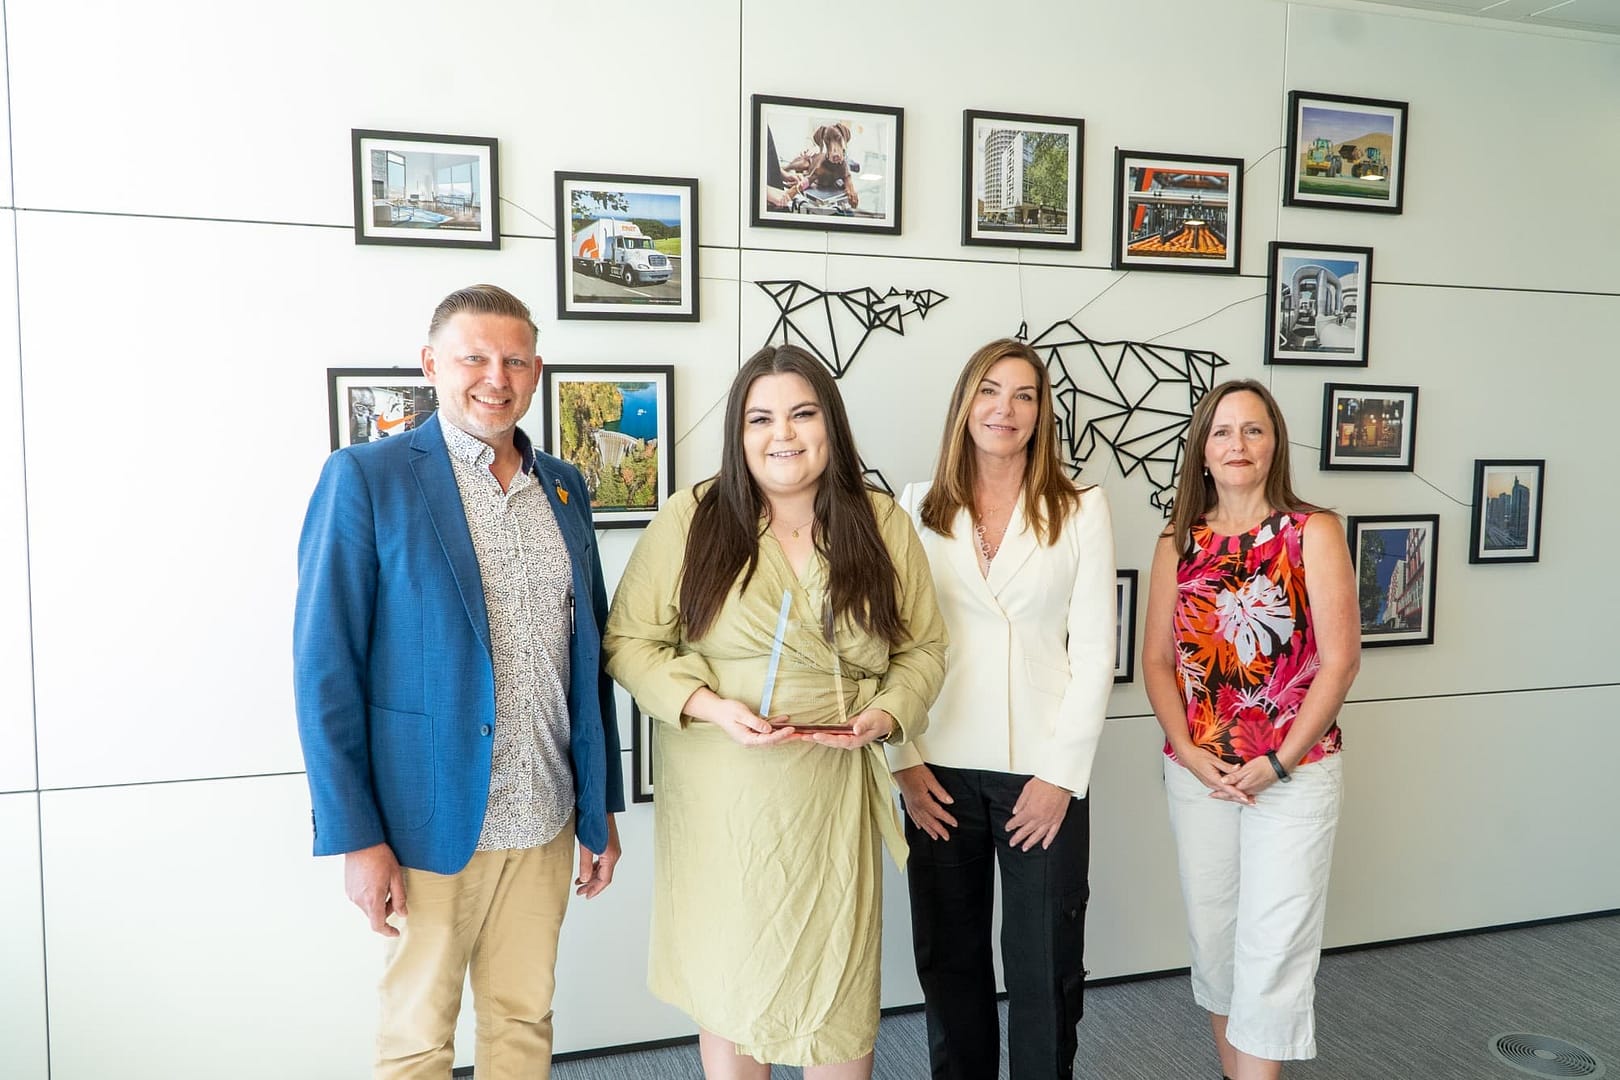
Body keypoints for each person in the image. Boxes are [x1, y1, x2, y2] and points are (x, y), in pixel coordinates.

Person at [293, 284, 623, 1080]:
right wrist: (356, 836)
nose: (494, 377)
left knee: (523, 1021)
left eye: (514, 360)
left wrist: (599, 807)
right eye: (474, 357)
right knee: (417, 1037)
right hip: (426, 826)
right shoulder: (366, 478)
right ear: (430, 363)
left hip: (544, 815)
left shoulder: (566, 487)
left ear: (537, 370)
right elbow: (324, 668)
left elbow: (592, 659)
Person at [603, 343, 947, 1079]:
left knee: (838, 987)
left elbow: (924, 651)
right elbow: (630, 642)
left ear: (831, 423)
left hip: (830, 798)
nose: (781, 434)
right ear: (738, 433)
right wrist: (707, 706)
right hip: (724, 794)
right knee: (733, 981)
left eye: (801, 413)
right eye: (760, 418)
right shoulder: (692, 518)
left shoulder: (881, 522)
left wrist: (884, 716)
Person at [887, 338, 1117, 1080]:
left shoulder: (1081, 508)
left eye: (1024, 395)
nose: (1005, 409)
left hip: (1040, 775)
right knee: (949, 960)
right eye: (990, 390)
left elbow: (1094, 654)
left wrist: (1062, 776)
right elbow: (887, 640)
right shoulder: (915, 505)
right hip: (937, 767)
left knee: (1044, 966)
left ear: (1041, 414)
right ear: (965, 404)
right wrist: (903, 763)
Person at [1141, 379, 1360, 1080]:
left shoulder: (1311, 531)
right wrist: (1189, 750)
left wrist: (1281, 762)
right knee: (1217, 941)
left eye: (1254, 430)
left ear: (1275, 445)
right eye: (1223, 432)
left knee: (1273, 952)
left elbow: (1340, 661)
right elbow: (1156, 661)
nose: (1238, 445)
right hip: (1200, 775)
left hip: (1293, 775)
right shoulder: (1177, 543)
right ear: (1202, 450)